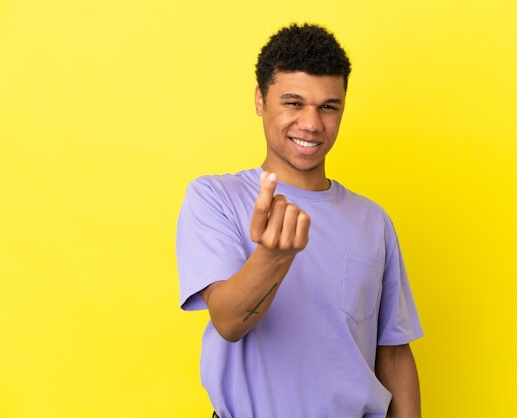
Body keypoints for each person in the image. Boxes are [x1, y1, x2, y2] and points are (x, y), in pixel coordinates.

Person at [176, 23, 423, 418]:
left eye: (329, 106)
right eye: (293, 103)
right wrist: (273, 257)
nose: (311, 123)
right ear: (260, 99)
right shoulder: (215, 198)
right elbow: (229, 321)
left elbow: (392, 355)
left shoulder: (373, 221)